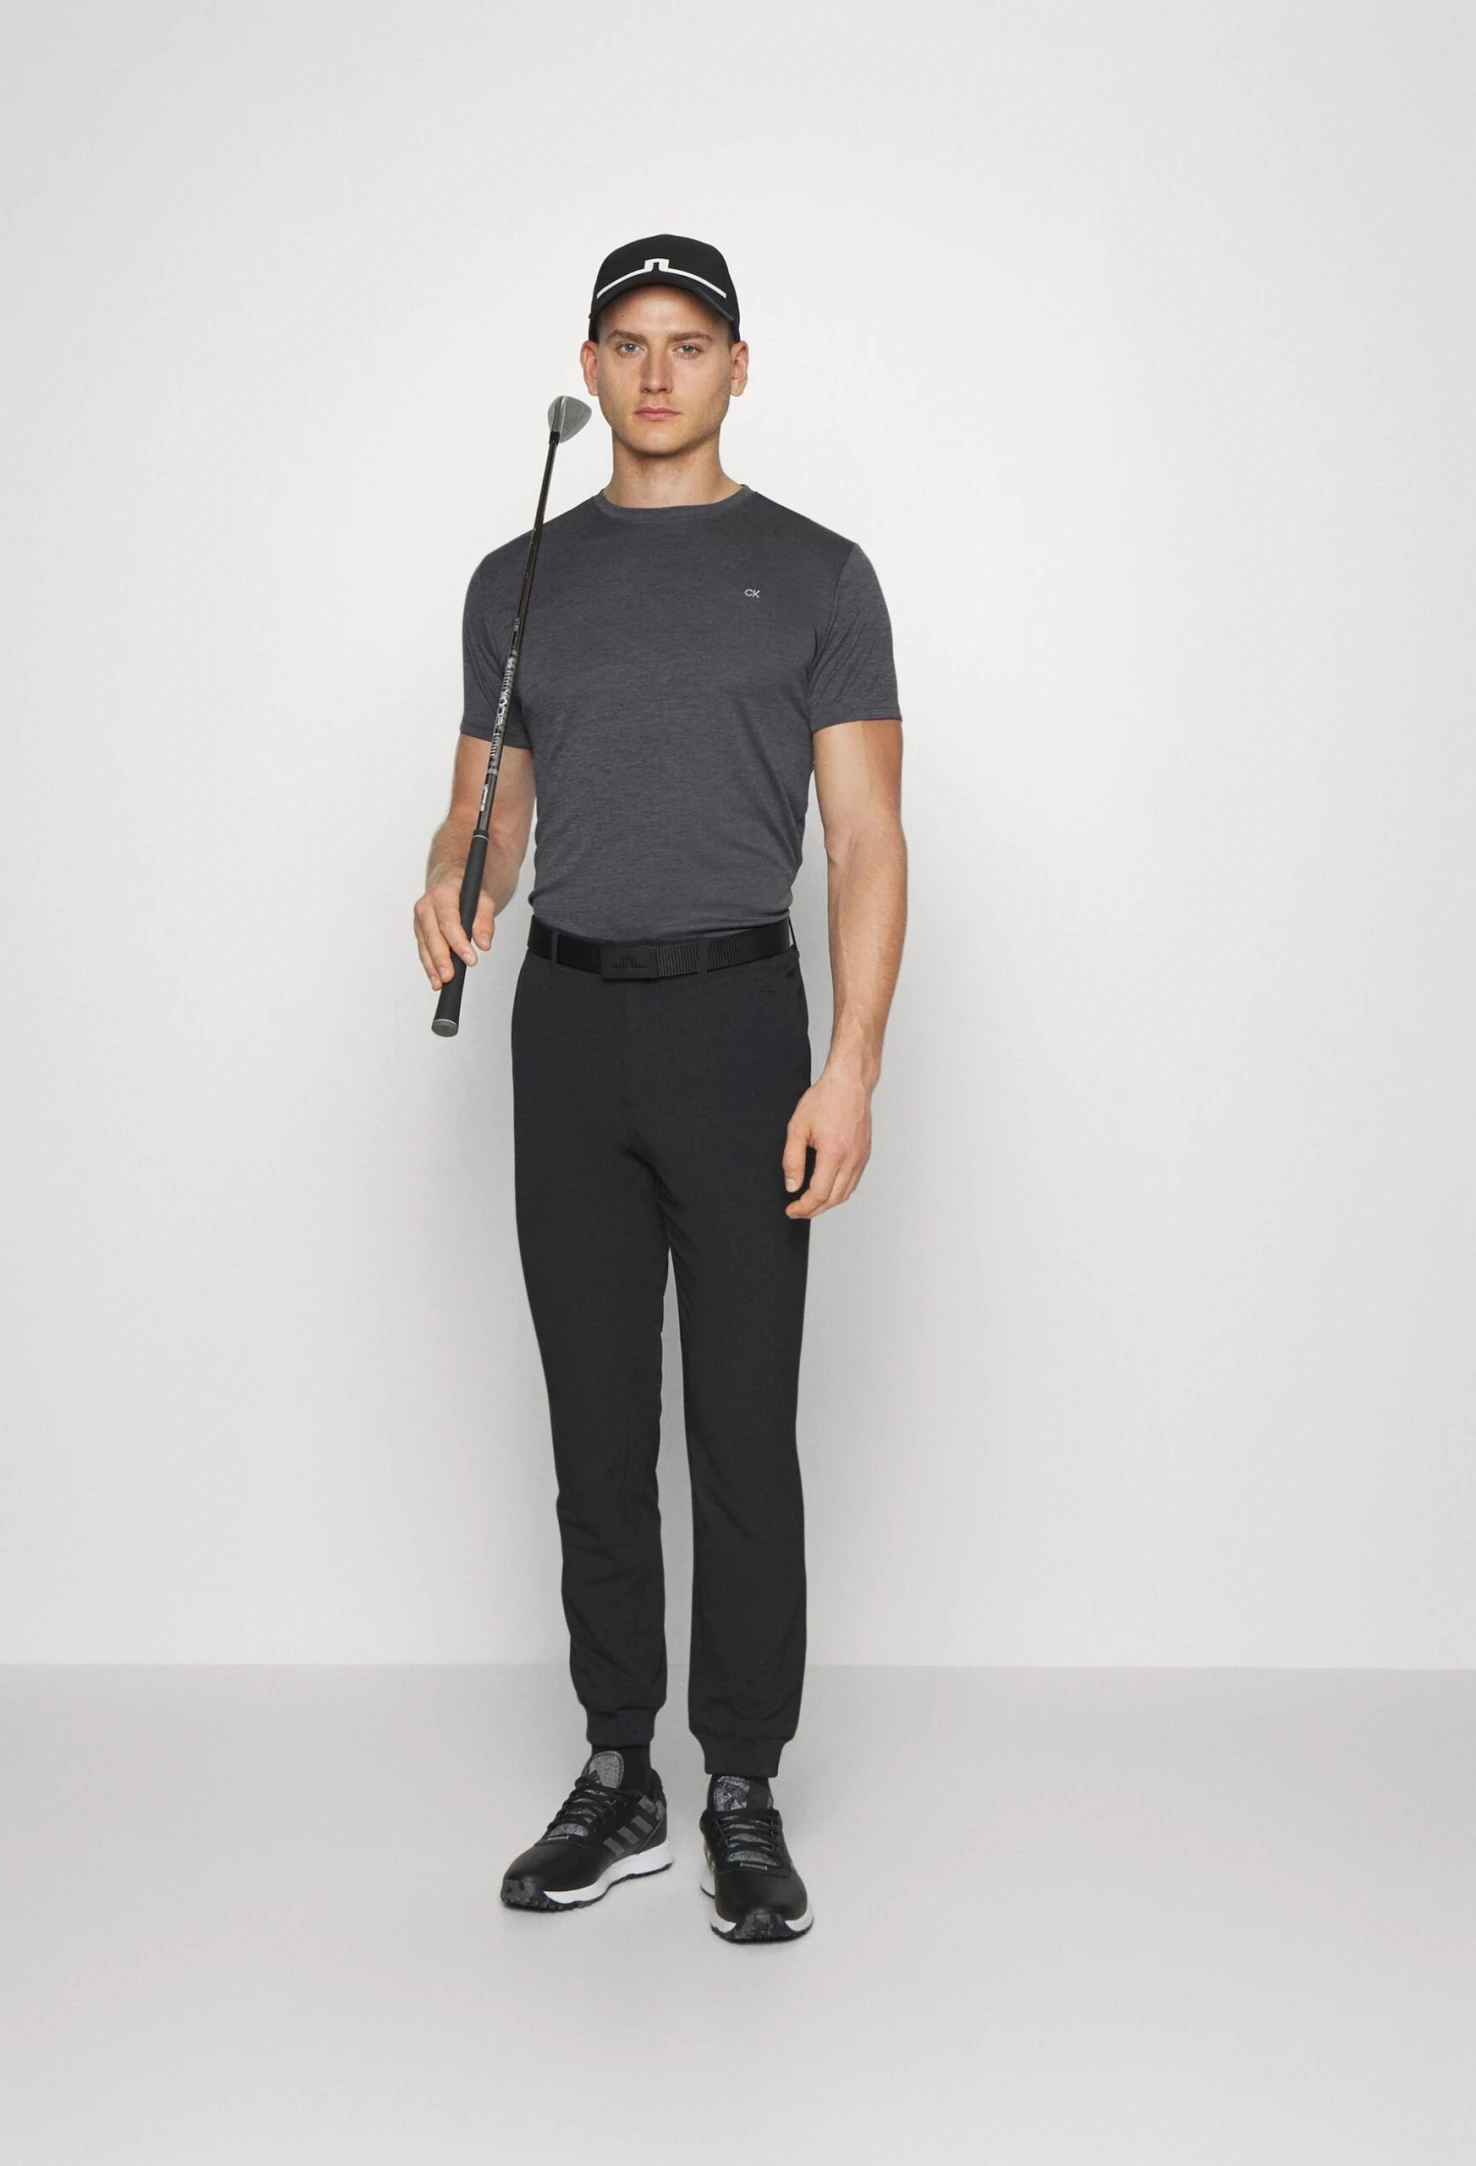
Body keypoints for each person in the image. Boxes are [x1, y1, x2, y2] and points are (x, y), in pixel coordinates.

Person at [413, 234, 906, 1944]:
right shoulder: (519, 578)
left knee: (744, 1426)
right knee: (595, 1419)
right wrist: (454, 879)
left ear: (737, 367)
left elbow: (866, 837)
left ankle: (741, 1785)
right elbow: (483, 805)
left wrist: (850, 1064)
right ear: (590, 364)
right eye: (626, 343)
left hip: (739, 1024)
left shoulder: (820, 573)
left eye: (688, 343)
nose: (654, 373)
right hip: (567, 1026)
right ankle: (619, 1767)